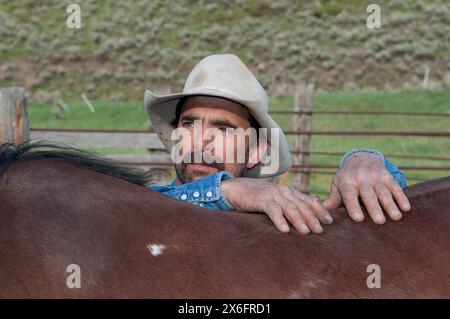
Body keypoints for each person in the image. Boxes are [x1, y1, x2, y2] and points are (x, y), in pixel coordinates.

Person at [145, 54, 410, 234]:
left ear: (256, 151)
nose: (200, 140)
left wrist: (364, 160)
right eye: (189, 124)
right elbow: (152, 202)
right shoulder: (144, 207)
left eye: (223, 128)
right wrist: (227, 191)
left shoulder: (279, 214)